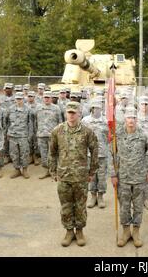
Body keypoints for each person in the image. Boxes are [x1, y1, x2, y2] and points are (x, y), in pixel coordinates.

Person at [49, 102, 99, 247]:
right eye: (69, 112)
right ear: (66, 114)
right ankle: (69, 231)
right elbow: (52, 153)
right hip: (64, 176)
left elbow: (95, 151)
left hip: (81, 176)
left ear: (79, 114)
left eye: (74, 112)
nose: (71, 115)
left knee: (80, 206)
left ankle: (80, 231)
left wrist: (92, 171)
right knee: (66, 206)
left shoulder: (87, 132)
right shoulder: (57, 131)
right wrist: (53, 171)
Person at [111, 107, 148, 248]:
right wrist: (113, 174)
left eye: (134, 117)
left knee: (138, 207)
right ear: (124, 119)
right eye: (128, 117)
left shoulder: (145, 135)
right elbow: (111, 155)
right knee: (124, 207)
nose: (131, 120)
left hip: (139, 178)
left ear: (137, 119)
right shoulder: (117, 135)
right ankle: (125, 232)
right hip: (123, 177)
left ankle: (136, 232)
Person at [82, 101, 109, 209]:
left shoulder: (105, 121)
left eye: (99, 108)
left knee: (102, 176)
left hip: (102, 153)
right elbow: (82, 137)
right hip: (89, 153)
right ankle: (93, 196)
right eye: (95, 108)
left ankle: (101, 196)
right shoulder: (85, 121)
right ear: (91, 109)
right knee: (91, 176)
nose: (97, 110)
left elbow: (108, 137)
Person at [35, 91, 62, 179]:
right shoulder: (38, 108)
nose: (46, 99)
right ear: (43, 98)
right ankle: (46, 171)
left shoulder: (56, 108)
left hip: (52, 136)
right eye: (45, 97)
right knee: (43, 154)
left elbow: (60, 123)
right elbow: (35, 121)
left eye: (48, 97)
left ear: (51, 98)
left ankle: (54, 171)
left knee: (53, 154)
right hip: (41, 135)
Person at [6, 92, 33, 179]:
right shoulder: (10, 109)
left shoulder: (28, 109)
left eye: (20, 99)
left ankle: (24, 169)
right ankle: (17, 169)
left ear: (23, 99)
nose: (18, 100)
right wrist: (7, 133)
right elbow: (7, 122)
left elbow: (30, 123)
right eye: (17, 99)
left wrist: (29, 135)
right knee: (14, 153)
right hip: (13, 135)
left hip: (23, 135)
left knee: (24, 153)